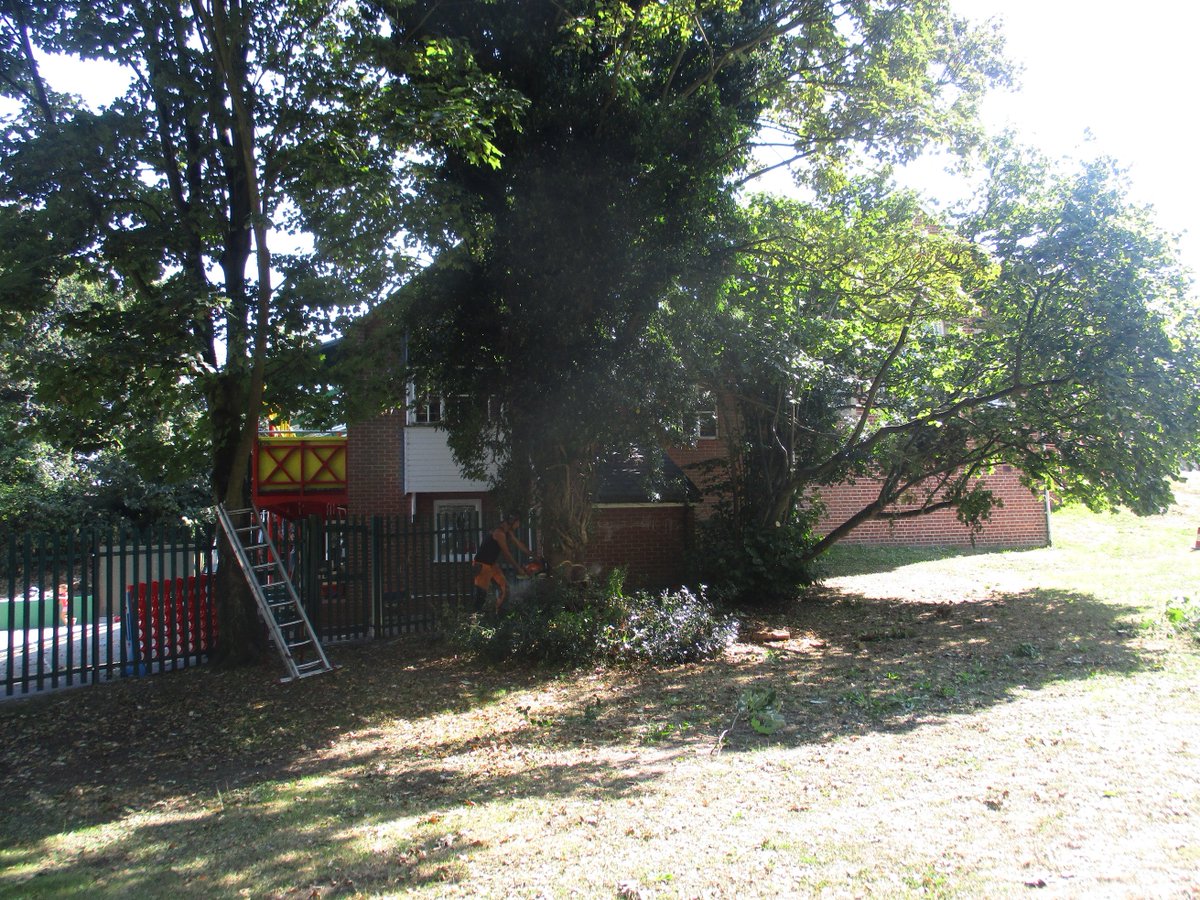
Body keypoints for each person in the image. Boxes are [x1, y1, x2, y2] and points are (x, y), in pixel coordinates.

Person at [472, 514, 530, 613]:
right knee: (480, 595)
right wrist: (518, 568)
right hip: (482, 565)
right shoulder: (499, 533)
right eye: (517, 523)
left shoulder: (507, 532)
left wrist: (533, 554)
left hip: (492, 565)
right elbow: (507, 554)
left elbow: (519, 544)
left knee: (504, 589)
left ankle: (497, 614)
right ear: (512, 522)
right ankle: (474, 622)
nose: (518, 526)